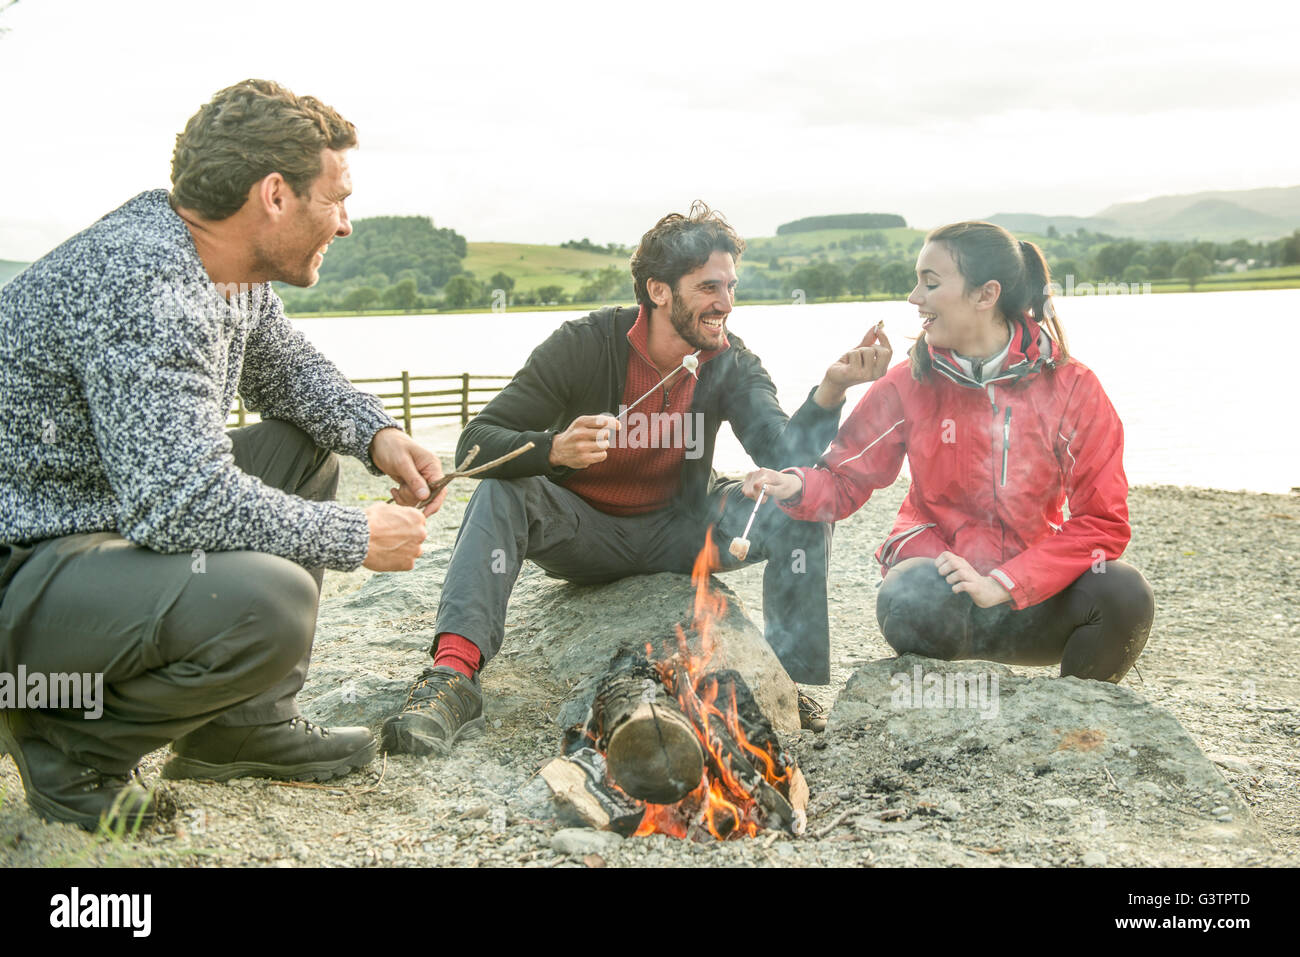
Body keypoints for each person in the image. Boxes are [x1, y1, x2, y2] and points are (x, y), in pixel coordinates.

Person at [0, 79, 445, 831]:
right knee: (268, 602)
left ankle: (238, 726)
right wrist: (356, 537)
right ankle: (68, 742)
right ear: (274, 194)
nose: (345, 223)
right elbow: (178, 502)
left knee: (302, 451)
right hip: (22, 567)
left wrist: (378, 433)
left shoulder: (218, 262)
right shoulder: (145, 278)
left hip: (88, 530)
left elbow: (286, 370)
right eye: (336, 198)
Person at [380, 201, 892, 756]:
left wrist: (833, 389)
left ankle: (784, 682)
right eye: (709, 288)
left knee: (798, 500)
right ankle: (453, 677)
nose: (726, 303)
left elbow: (784, 450)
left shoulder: (730, 361)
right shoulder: (583, 344)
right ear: (658, 291)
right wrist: (555, 449)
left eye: (731, 287)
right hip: (584, 534)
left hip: (682, 528)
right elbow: (476, 441)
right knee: (503, 490)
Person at [744, 222, 1154, 683]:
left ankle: (1076, 718)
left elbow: (1102, 522)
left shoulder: (1073, 386)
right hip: (944, 599)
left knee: (1124, 593)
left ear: (986, 295)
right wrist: (794, 484)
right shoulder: (906, 381)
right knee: (907, 592)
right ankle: (944, 712)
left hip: (1032, 598)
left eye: (930, 283)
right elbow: (845, 480)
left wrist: (1004, 583)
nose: (913, 297)